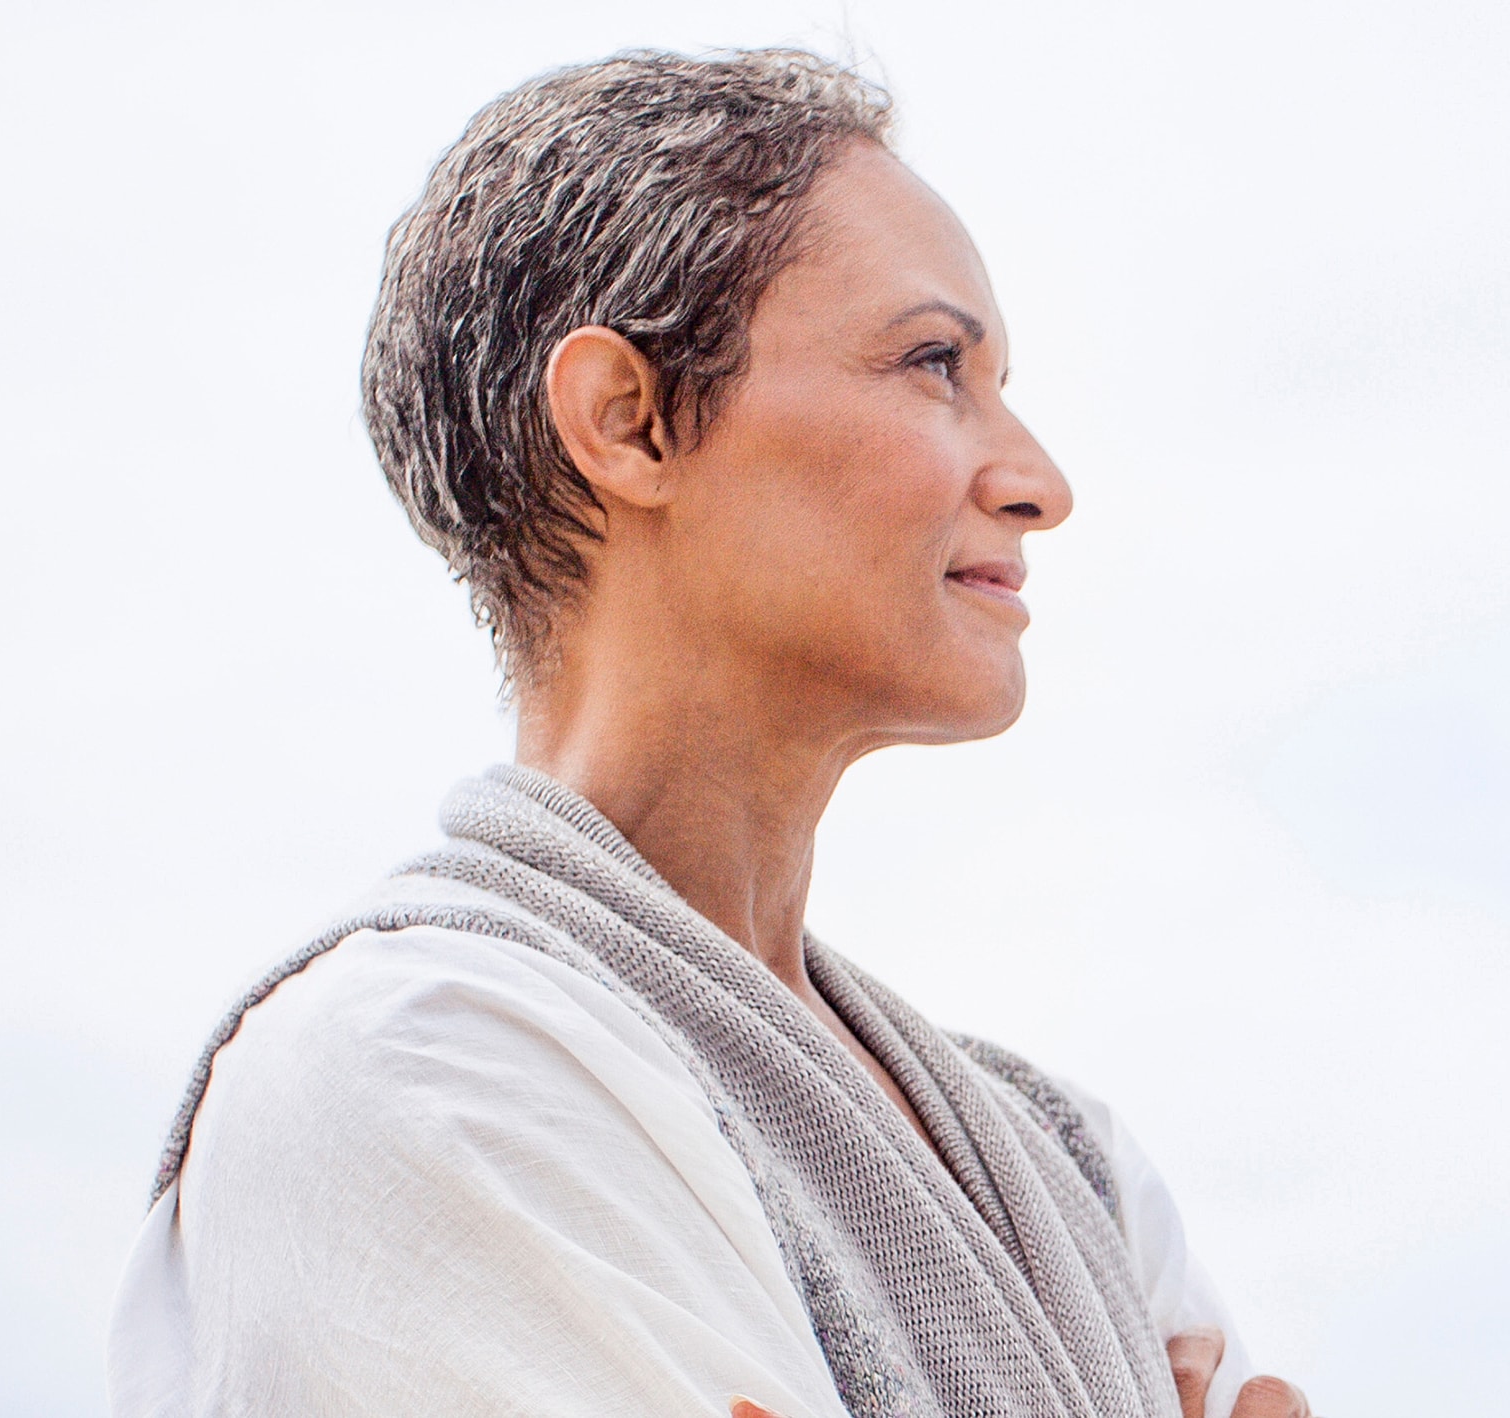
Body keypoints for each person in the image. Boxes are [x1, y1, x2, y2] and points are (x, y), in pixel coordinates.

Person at [108, 48, 1314, 1418]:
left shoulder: (1070, 1160)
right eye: (935, 365)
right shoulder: (405, 1073)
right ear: (627, 421)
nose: (1040, 481)